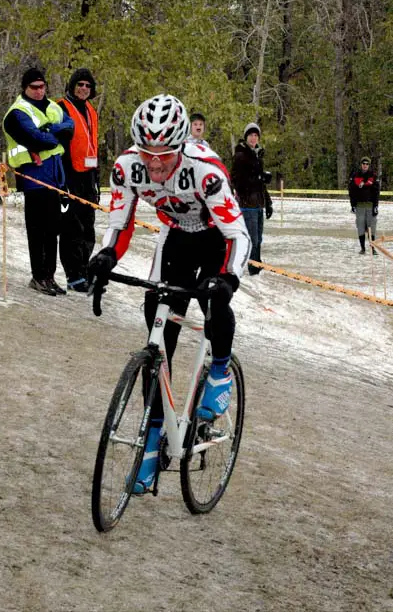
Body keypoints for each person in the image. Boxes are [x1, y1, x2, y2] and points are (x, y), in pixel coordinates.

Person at [88, 94, 251, 494]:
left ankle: (218, 372)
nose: (156, 163)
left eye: (164, 153)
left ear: (181, 145)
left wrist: (229, 278)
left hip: (215, 237)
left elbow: (238, 234)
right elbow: (120, 221)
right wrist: (106, 255)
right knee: (157, 339)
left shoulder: (205, 171)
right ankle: (152, 444)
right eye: (147, 153)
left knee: (215, 300)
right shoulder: (128, 168)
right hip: (175, 237)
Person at [3, 68, 74, 295]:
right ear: (25, 88)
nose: (39, 91)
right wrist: (54, 135)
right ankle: (38, 276)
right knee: (37, 229)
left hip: (55, 175)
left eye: (42, 86)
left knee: (53, 229)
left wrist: (51, 130)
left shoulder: (53, 106)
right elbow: (36, 139)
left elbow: (70, 127)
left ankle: (49, 276)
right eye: (34, 87)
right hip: (34, 176)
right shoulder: (16, 112)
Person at [58, 69, 99, 293]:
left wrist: (96, 179)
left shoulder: (92, 111)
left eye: (87, 86)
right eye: (80, 84)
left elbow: (94, 146)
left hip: (88, 176)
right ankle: (73, 275)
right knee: (71, 228)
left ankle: (84, 271)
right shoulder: (62, 108)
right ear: (72, 86)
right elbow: (59, 146)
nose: (84, 89)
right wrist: (62, 182)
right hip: (69, 176)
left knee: (88, 228)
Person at [231, 122, 273, 275]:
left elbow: (261, 184)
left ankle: (257, 264)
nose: (253, 138)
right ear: (246, 137)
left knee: (259, 239)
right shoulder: (241, 156)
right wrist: (257, 178)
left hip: (258, 203)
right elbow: (235, 180)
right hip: (247, 203)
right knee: (252, 239)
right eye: (251, 135)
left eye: (256, 135)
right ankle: (252, 268)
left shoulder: (257, 156)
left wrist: (268, 203)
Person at [348, 156, 380, 254]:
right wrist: (352, 205)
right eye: (363, 164)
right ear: (361, 164)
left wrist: (375, 206)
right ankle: (363, 248)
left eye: (367, 164)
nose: (365, 165)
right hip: (359, 206)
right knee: (361, 227)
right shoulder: (355, 175)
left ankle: (373, 248)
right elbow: (351, 191)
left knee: (372, 227)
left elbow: (376, 192)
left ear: (369, 165)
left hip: (370, 206)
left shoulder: (373, 176)